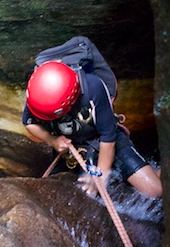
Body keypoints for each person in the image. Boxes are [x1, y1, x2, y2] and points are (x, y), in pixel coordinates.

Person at [22, 59, 162, 198]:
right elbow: (28, 122)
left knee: (155, 190)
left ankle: (168, 169)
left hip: (104, 138)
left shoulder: (93, 87)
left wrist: (100, 174)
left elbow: (108, 135)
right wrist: (52, 140)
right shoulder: (38, 96)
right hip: (73, 146)